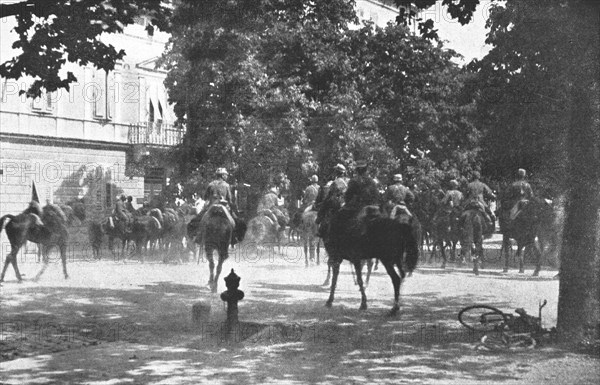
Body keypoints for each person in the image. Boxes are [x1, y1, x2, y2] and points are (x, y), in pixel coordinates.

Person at [198, 168, 238, 239]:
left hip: (211, 206)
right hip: (224, 207)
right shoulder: (226, 185)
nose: (227, 176)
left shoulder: (210, 184)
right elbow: (229, 199)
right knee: (236, 220)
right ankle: (235, 237)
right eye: (226, 175)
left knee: (199, 218)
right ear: (222, 175)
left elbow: (205, 197)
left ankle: (198, 235)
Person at [344, 160, 380, 235]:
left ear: (357, 170)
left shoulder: (354, 181)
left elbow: (348, 196)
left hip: (358, 207)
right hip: (374, 206)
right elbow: (377, 195)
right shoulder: (372, 181)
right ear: (366, 169)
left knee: (340, 217)